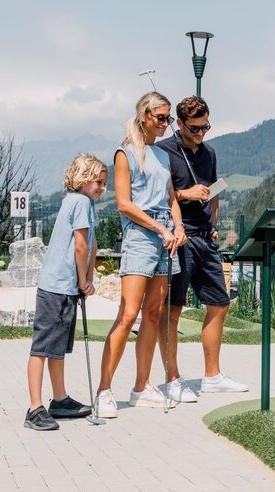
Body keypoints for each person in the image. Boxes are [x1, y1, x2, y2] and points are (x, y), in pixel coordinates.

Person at [93, 91, 188, 418]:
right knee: (129, 313)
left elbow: (172, 199)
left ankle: (141, 386)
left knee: (152, 313)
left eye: (168, 118)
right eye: (160, 118)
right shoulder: (126, 153)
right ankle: (104, 390)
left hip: (165, 237)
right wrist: (160, 229)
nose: (166, 123)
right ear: (144, 116)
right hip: (140, 235)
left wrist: (178, 226)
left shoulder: (162, 156)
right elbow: (124, 204)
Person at [156, 96, 248, 395]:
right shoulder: (162, 151)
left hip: (205, 238)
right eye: (194, 128)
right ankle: (172, 378)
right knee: (173, 309)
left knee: (219, 304)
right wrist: (185, 194)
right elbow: (160, 195)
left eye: (205, 126)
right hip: (177, 237)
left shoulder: (209, 152)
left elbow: (214, 191)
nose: (200, 133)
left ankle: (213, 376)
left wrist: (214, 226)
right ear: (179, 123)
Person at [25, 154, 108, 430]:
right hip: (56, 286)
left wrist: (88, 279)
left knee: (57, 348)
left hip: (65, 287)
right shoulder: (81, 201)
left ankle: (59, 400)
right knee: (42, 347)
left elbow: (92, 245)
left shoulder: (83, 203)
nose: (102, 188)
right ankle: (34, 408)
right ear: (84, 179)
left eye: (104, 184)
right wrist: (84, 279)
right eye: (98, 182)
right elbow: (80, 246)